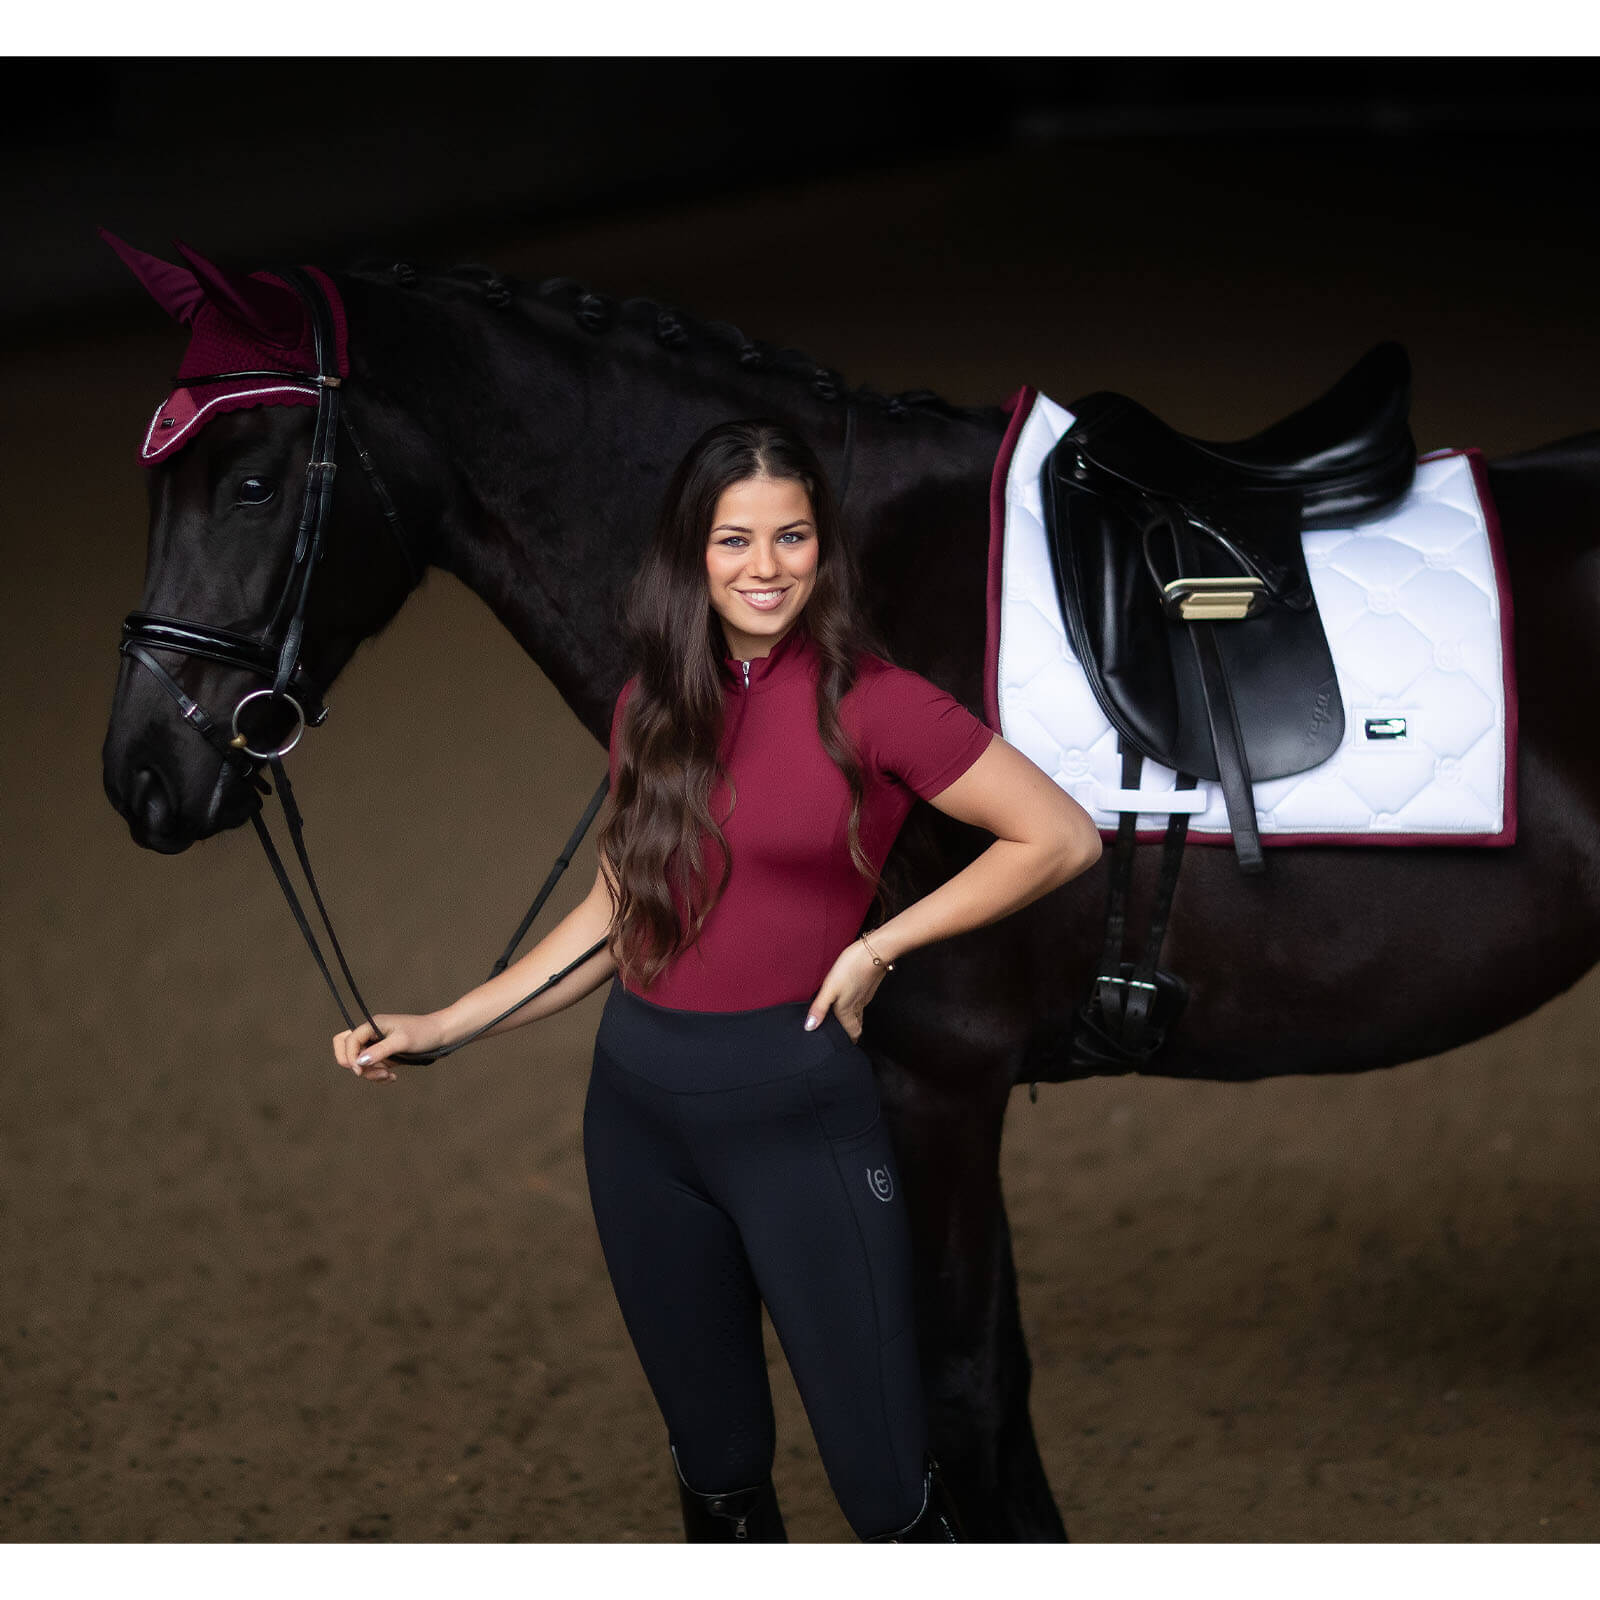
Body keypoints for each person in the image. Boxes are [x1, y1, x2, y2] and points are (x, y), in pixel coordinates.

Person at [332, 419, 1101, 1542]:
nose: (765, 566)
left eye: (792, 535)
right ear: (692, 549)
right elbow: (619, 910)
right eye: (735, 539)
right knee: (718, 1471)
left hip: (798, 1122)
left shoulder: (878, 702)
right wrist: (449, 1020)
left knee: (885, 1490)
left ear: (822, 545)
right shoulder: (652, 703)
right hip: (638, 1124)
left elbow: (1059, 836)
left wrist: (877, 947)